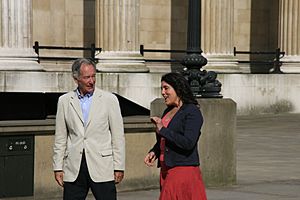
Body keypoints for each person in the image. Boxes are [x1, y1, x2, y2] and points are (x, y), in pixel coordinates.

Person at [52, 58, 125, 200]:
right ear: (76, 78)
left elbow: (118, 136)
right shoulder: (65, 101)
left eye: (93, 76)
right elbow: (60, 137)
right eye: (87, 77)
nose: (91, 81)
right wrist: (58, 167)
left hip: (102, 166)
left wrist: (119, 166)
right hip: (74, 167)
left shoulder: (109, 99)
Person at [144, 72, 207, 200]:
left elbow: (188, 142)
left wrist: (162, 129)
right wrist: (155, 152)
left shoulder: (192, 111)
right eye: (162, 88)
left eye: (166, 88)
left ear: (178, 89)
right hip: (166, 168)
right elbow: (165, 139)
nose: (163, 92)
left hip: (182, 169)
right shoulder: (168, 110)